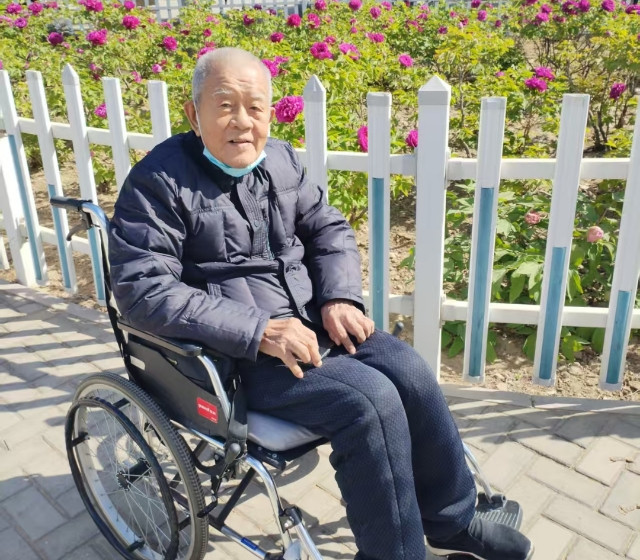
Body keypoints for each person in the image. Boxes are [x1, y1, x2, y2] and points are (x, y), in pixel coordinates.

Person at [109, 47, 534, 560]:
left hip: (312, 321)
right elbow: (143, 290)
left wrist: (339, 296)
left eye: (255, 107)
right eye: (224, 106)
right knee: (369, 402)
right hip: (233, 356)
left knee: (411, 371)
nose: (242, 122)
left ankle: (452, 521)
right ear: (194, 114)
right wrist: (259, 329)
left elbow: (329, 231)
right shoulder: (157, 184)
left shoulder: (281, 161)